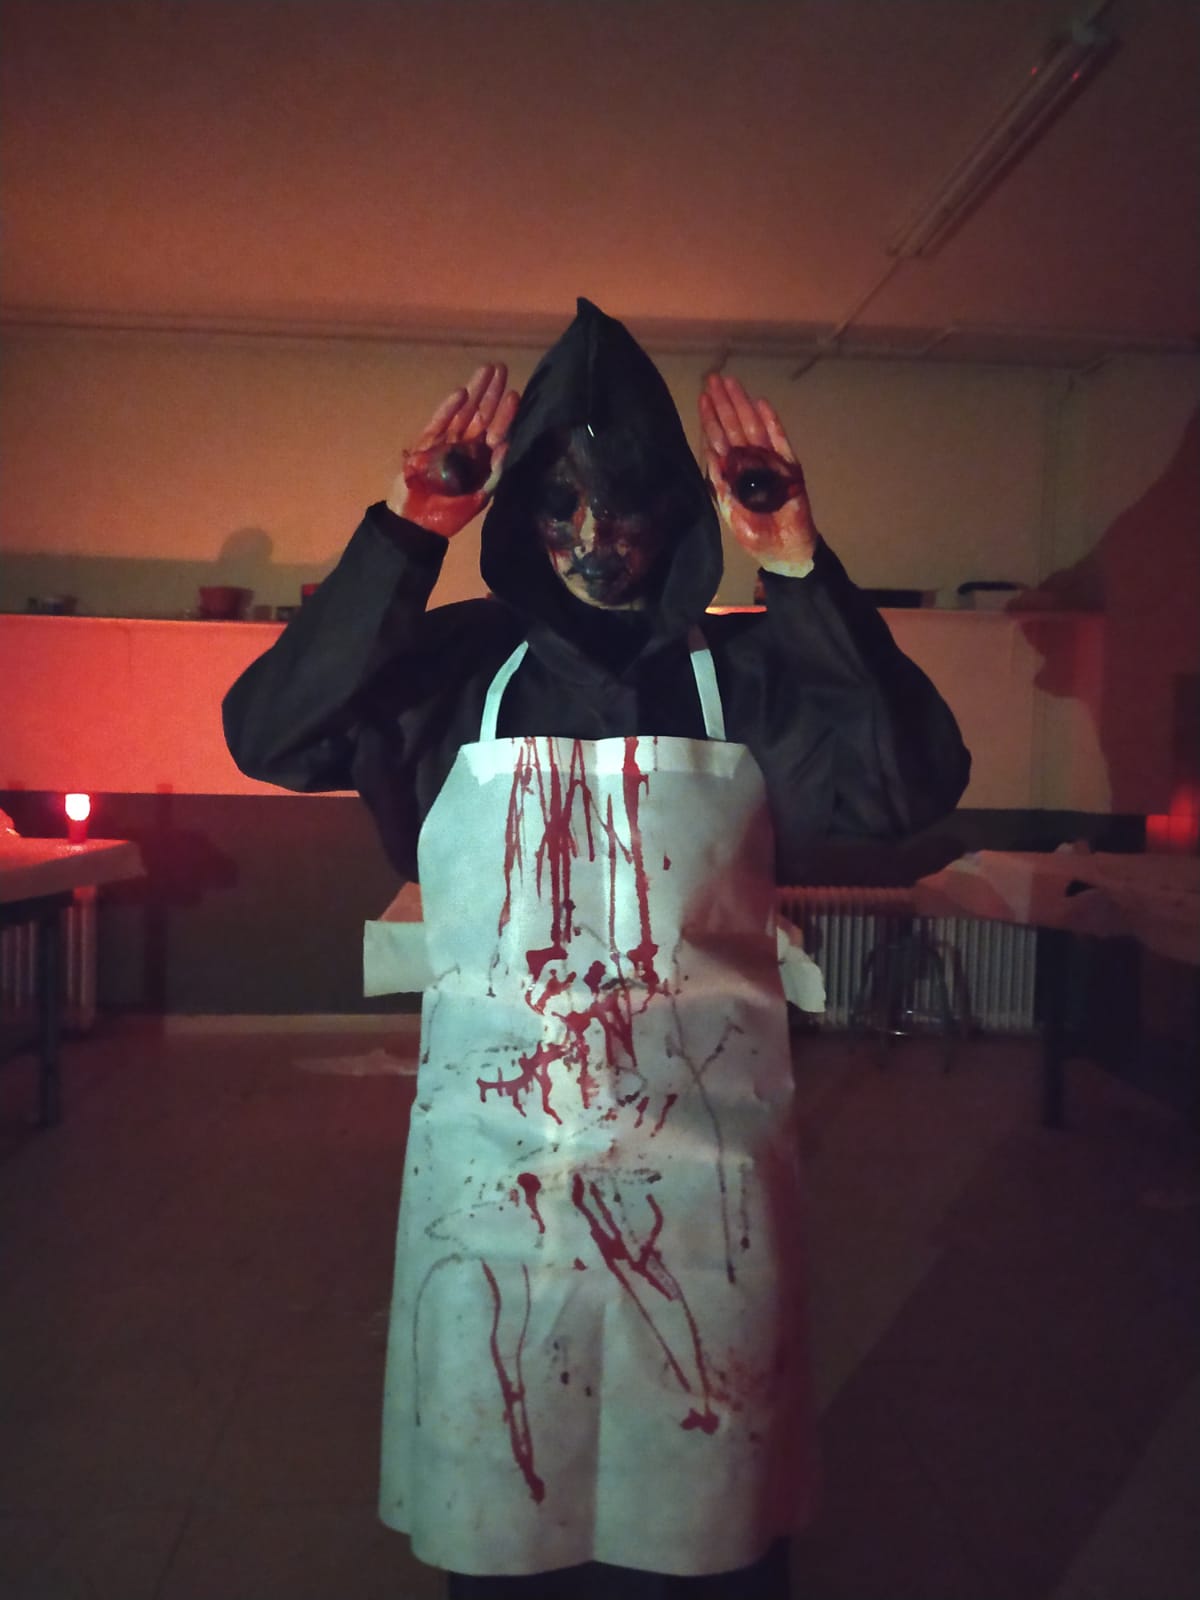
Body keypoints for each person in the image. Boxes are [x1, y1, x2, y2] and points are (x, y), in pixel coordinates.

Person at [223, 298, 970, 1598]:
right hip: (492, 1185)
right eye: (561, 507)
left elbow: (910, 781)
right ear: (518, 516)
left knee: (704, 1511)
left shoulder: (747, 674)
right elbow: (270, 734)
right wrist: (406, 535)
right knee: (506, 1488)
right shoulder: (455, 670)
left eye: (623, 511)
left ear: (679, 518)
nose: (593, 540)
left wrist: (798, 564)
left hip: (707, 1195)